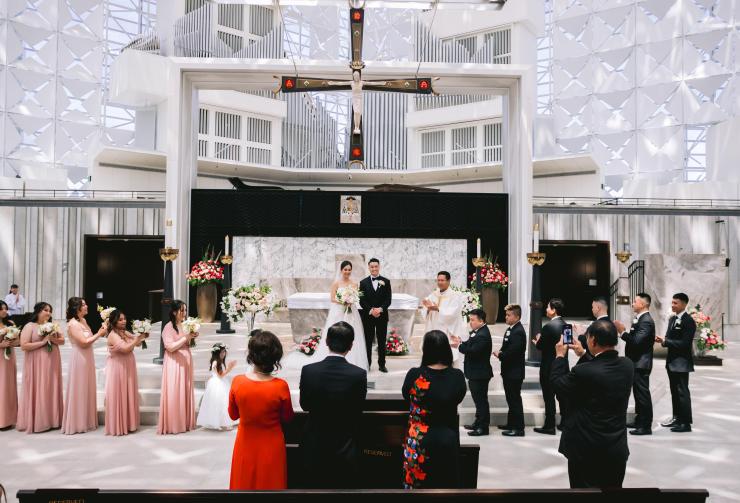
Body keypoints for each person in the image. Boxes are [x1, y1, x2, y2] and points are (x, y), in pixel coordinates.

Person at [551, 320, 634, 488]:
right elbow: (598, 370)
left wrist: (560, 356)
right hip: (615, 449)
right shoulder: (627, 365)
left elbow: (558, 384)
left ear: (593, 340)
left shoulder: (583, 372)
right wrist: (584, 354)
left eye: (587, 337)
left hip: (585, 450)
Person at [299, 321, 367, 489]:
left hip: (314, 445)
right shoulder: (358, 374)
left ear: (327, 342)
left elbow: (305, 405)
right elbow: (358, 408)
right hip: (345, 447)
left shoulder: (309, 371)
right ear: (351, 345)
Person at [229, 330, 294, 490]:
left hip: (245, 443)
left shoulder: (238, 382)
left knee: (243, 484)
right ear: (275, 357)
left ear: (251, 355)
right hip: (272, 444)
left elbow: (233, 415)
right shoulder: (281, 386)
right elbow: (287, 417)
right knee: (271, 485)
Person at [402, 330, 467, 489]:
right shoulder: (457, 376)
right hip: (447, 437)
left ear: (426, 350)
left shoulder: (414, 375)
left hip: (419, 440)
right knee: (445, 486)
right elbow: (458, 398)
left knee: (418, 486)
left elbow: (406, 396)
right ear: (447, 350)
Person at [287, 261, 368, 371]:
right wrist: (343, 300)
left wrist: (351, 300)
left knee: (353, 333)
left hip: (351, 312)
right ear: (341, 270)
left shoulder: (354, 284)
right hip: (339, 311)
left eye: (349, 269)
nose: (347, 271)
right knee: (337, 333)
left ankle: (354, 361)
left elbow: (356, 297)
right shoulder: (336, 283)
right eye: (345, 269)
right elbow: (332, 298)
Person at [17, 302, 65, 433]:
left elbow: (62, 341)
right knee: (40, 387)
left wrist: (52, 339)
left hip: (52, 362)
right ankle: (40, 421)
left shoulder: (53, 326)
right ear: (38, 311)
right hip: (37, 363)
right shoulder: (30, 326)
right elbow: (24, 345)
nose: (48, 313)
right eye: (45, 310)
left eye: (50, 311)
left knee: (51, 387)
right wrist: (43, 342)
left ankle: (53, 420)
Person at [62, 297, 105, 434]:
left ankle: (86, 420)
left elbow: (89, 339)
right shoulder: (73, 324)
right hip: (79, 357)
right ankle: (77, 422)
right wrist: (99, 334)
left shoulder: (83, 321)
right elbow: (84, 342)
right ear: (77, 308)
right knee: (79, 387)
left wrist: (101, 330)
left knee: (87, 386)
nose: (87, 306)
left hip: (88, 356)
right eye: (84, 304)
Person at [614, 292, 655, 436]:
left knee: (642, 395)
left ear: (642, 304)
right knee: (638, 395)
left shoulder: (646, 321)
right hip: (636, 362)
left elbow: (636, 342)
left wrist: (622, 332)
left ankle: (645, 426)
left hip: (641, 363)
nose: (632, 304)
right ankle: (639, 421)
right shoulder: (640, 318)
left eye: (635, 301)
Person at [655, 292, 696, 433]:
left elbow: (685, 343)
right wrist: (663, 340)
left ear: (684, 304)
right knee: (674, 392)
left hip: (682, 363)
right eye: (672, 302)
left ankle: (686, 423)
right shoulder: (672, 319)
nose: (672, 305)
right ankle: (676, 418)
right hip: (671, 362)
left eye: (675, 303)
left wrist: (666, 341)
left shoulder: (689, 321)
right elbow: (669, 337)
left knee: (682, 393)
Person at [157, 300, 197, 435]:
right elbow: (170, 347)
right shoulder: (168, 327)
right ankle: (174, 424)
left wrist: (192, 337)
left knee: (184, 389)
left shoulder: (185, 325)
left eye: (185, 310)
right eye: (182, 310)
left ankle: (185, 422)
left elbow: (187, 343)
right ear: (174, 312)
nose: (184, 313)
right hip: (174, 362)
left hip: (186, 360)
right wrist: (186, 338)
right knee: (175, 390)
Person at [451, 308, 492, 436]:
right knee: (478, 400)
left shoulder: (483, 335)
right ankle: (478, 422)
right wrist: (460, 342)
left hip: (480, 373)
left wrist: (459, 346)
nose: (470, 322)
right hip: (475, 372)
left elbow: (473, 351)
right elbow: (469, 344)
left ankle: (483, 427)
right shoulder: (477, 332)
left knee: (481, 401)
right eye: (470, 319)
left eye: (473, 320)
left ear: (481, 321)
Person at [105, 309, 146, 436]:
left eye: (124, 319)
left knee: (128, 393)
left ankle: (129, 424)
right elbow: (125, 348)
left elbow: (137, 344)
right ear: (114, 321)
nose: (124, 321)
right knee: (119, 394)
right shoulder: (113, 335)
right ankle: (119, 425)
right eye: (120, 319)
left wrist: (143, 336)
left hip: (128, 366)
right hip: (118, 367)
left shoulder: (124, 332)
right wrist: (137, 338)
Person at [533, 298, 567, 434]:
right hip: (563, 365)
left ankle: (549, 425)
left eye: (548, 307)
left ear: (553, 310)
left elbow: (540, 346)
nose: (546, 310)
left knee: (548, 396)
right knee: (562, 396)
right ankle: (564, 423)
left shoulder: (548, 327)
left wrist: (538, 340)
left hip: (549, 366)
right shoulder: (566, 325)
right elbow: (567, 345)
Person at [493, 304, 526, 437]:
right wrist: (501, 351)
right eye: (506, 315)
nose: (506, 317)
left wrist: (500, 355)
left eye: (509, 315)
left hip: (514, 372)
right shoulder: (511, 329)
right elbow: (506, 346)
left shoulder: (518, 332)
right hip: (509, 371)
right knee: (511, 399)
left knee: (515, 400)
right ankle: (511, 423)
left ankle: (518, 428)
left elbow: (514, 352)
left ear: (517, 317)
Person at [422, 271, 468, 361]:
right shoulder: (433, 294)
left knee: (445, 356)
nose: (440, 282)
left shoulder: (454, 296)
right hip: (434, 328)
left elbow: (454, 312)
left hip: (447, 330)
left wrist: (438, 309)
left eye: (442, 280)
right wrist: (427, 308)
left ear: (448, 281)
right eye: (438, 280)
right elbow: (426, 309)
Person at [359, 258, 392, 373]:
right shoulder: (363, 283)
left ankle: (382, 365)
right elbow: (361, 300)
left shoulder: (386, 281)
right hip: (368, 316)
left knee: (381, 341)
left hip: (382, 316)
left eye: (376, 266)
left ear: (379, 267)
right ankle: (367, 364)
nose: (374, 268)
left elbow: (388, 299)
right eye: (372, 267)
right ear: (369, 267)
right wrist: (371, 310)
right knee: (368, 341)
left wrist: (380, 309)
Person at [198, 342, 238, 430]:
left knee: (223, 402)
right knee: (220, 402)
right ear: (217, 353)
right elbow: (220, 376)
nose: (224, 354)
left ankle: (223, 421)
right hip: (218, 383)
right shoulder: (216, 362)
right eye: (222, 352)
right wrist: (229, 368)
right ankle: (220, 422)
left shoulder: (219, 361)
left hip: (220, 382)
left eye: (224, 352)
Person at [0, 300, 19, 429]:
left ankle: (8, 418)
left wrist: (11, 341)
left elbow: (18, 341)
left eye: (6, 308)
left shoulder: (11, 323)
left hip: (9, 357)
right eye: (2, 309)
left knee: (8, 386)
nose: (5, 311)